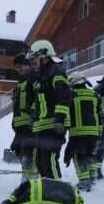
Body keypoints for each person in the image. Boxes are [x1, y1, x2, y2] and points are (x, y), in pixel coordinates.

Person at [28, 40, 72, 180]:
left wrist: (59, 120)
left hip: (53, 125)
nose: (33, 61)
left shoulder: (56, 71)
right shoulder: (42, 74)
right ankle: (47, 191)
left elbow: (63, 97)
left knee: (50, 160)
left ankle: (56, 191)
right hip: (42, 125)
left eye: (34, 57)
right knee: (41, 163)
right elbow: (40, 100)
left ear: (43, 55)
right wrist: (34, 117)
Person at [64, 73, 101, 192]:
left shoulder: (70, 95)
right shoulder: (94, 94)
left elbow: (66, 114)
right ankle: (92, 177)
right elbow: (100, 113)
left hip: (78, 132)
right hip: (94, 132)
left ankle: (84, 182)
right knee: (90, 155)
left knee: (78, 156)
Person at [10, 53, 38, 181]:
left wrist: (33, 115)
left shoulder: (34, 78)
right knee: (18, 150)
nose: (18, 70)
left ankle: (29, 181)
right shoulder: (21, 81)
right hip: (20, 125)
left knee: (29, 153)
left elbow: (38, 99)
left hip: (30, 124)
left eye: (20, 66)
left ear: (27, 64)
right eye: (16, 68)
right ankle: (28, 178)